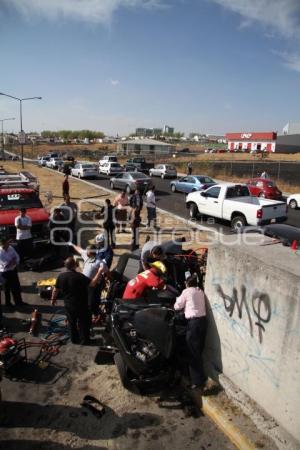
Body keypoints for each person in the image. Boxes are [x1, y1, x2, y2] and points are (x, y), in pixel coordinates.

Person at [51, 257, 98, 344]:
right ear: (75, 265)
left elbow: (55, 289)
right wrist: (99, 272)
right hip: (81, 305)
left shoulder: (61, 276)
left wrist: (53, 299)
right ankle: (85, 340)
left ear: (66, 266)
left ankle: (74, 340)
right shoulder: (80, 276)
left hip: (69, 305)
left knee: (71, 322)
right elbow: (92, 284)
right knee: (84, 323)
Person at [174, 274, 207, 389]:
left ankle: (197, 383)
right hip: (203, 323)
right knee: (198, 351)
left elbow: (177, 306)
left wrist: (177, 301)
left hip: (193, 324)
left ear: (187, 283)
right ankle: (201, 378)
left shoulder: (186, 291)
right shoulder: (200, 291)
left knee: (192, 353)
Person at [71, 243, 108, 317]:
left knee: (93, 303)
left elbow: (107, 272)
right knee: (84, 301)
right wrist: (71, 244)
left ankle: (96, 315)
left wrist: (107, 280)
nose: (86, 252)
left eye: (87, 251)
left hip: (94, 287)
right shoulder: (87, 256)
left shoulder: (100, 263)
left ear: (91, 252)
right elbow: (80, 249)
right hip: (85, 284)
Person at [0, 237, 26, 308]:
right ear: (3, 244)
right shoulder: (0, 253)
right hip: (4, 273)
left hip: (13, 270)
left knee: (16, 287)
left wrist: (13, 261)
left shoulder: (11, 248)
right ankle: (8, 304)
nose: (9, 244)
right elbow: (6, 265)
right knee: (7, 290)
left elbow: (17, 257)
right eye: (7, 243)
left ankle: (19, 302)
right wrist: (13, 261)